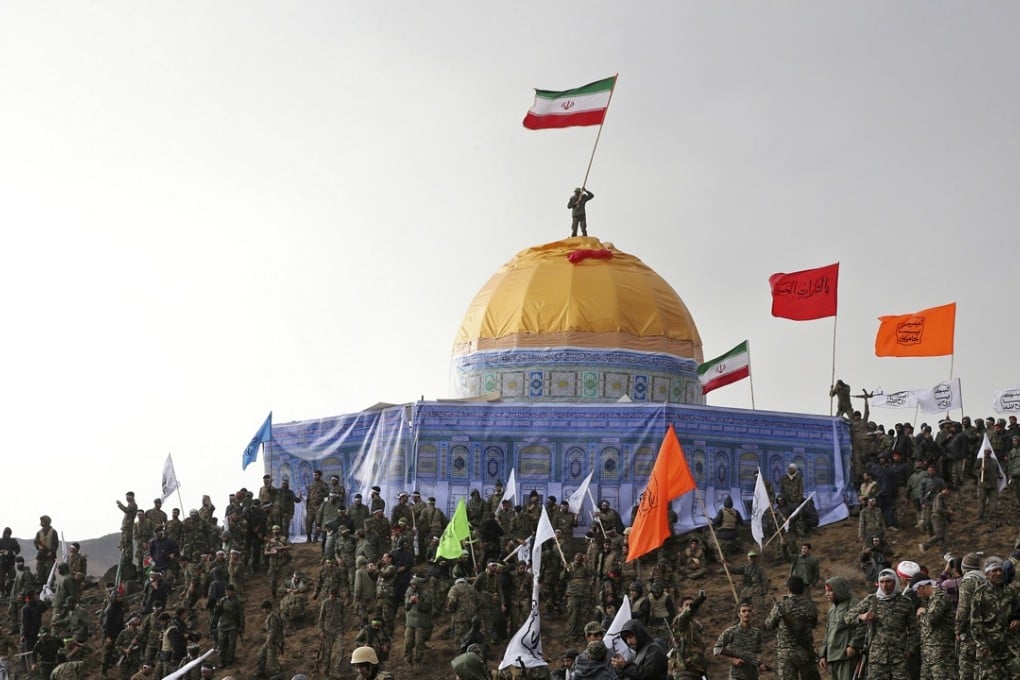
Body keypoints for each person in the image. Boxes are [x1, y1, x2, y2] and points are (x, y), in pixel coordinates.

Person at [844, 569, 917, 680]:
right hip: (877, 659)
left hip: (899, 658)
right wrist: (862, 617)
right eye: (882, 582)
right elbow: (848, 617)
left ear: (895, 582)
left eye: (888, 581)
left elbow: (913, 629)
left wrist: (910, 650)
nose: (885, 585)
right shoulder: (872, 600)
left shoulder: (905, 602)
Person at [764, 575, 820, 680]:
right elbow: (814, 624)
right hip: (805, 651)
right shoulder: (811, 606)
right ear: (803, 589)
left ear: (788, 589)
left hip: (785, 653)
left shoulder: (781, 605)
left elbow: (769, 625)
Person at [818, 577, 865, 680]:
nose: (827, 594)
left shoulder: (854, 604)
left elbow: (863, 626)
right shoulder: (832, 609)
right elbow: (828, 632)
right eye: (826, 591)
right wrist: (823, 654)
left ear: (838, 590)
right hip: (833, 655)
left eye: (830, 591)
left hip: (846, 656)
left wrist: (853, 645)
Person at [912, 577, 957, 680]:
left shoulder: (940, 597)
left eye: (917, 591)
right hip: (928, 655)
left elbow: (932, 620)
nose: (918, 595)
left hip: (941, 654)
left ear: (922, 587)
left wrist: (922, 613)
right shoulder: (929, 600)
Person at [714, 602, 766, 680]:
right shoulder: (731, 631)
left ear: (752, 614)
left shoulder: (757, 632)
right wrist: (733, 659)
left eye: (749, 611)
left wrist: (759, 664)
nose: (747, 613)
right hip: (736, 675)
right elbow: (716, 649)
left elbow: (758, 652)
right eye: (744, 611)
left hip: (753, 675)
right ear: (739, 614)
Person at [669, 590, 707, 680]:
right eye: (687, 605)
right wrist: (697, 603)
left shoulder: (696, 625)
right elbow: (685, 616)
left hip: (696, 668)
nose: (690, 607)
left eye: (692, 604)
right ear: (680, 608)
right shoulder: (680, 621)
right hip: (684, 668)